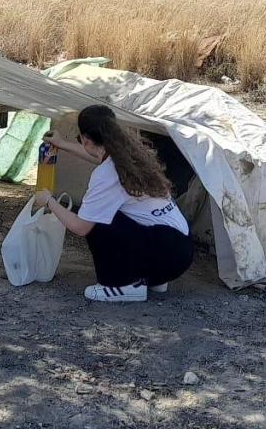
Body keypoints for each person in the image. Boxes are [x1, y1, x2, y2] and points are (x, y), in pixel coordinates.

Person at [35, 104, 193, 303]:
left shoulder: (105, 175)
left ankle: (123, 285)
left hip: (163, 254)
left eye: (80, 139)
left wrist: (49, 201)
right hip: (180, 250)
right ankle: (153, 279)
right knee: (112, 213)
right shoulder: (131, 153)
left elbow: (81, 227)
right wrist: (61, 143)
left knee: (96, 219)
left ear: (85, 139)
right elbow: (99, 156)